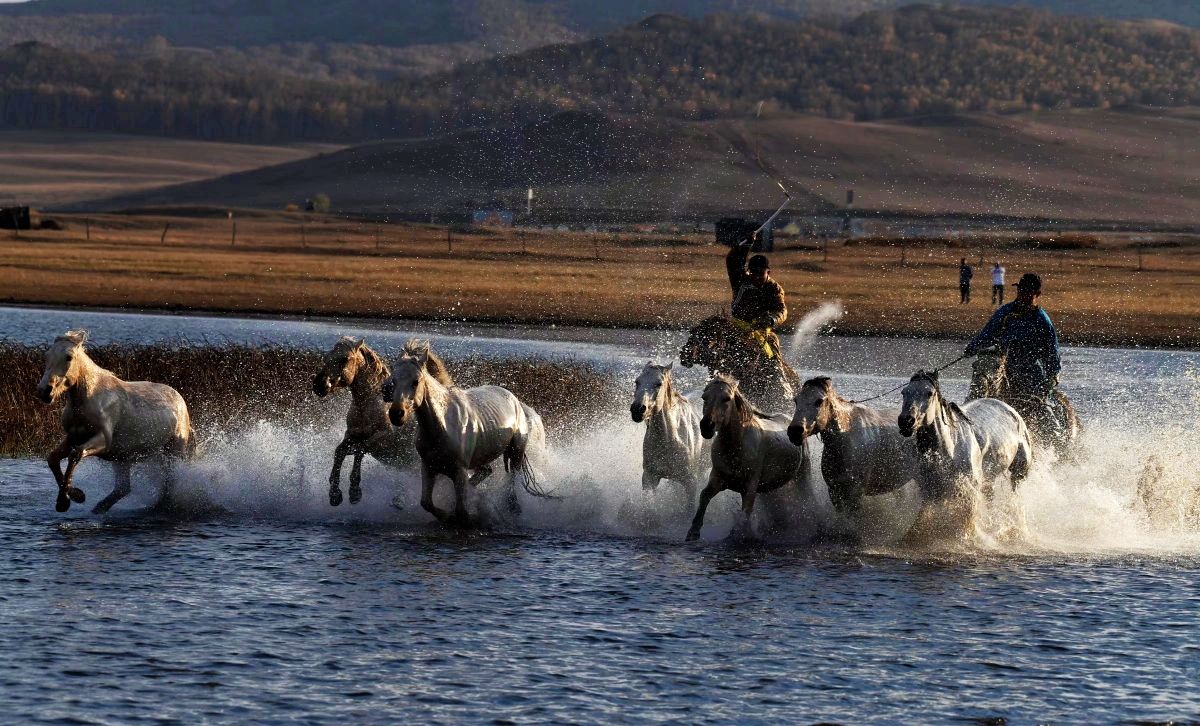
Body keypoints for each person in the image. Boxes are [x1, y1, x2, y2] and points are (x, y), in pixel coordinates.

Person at [964, 272, 1061, 436]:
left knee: (1048, 421)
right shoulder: (1005, 312)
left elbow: (1052, 355)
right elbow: (987, 335)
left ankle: (1058, 441)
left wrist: (1051, 380)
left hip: (1031, 376)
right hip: (1002, 370)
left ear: (1037, 295)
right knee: (977, 394)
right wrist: (972, 348)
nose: (1022, 296)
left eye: (1027, 293)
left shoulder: (1042, 320)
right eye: (1021, 291)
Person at [726, 238, 788, 360]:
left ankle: (778, 377)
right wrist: (746, 245)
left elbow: (782, 311)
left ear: (768, 272)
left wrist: (772, 320)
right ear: (749, 271)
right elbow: (733, 261)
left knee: (774, 358)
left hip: (760, 332)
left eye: (761, 273)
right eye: (753, 272)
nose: (757, 276)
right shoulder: (740, 280)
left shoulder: (775, 289)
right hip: (735, 327)